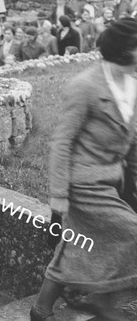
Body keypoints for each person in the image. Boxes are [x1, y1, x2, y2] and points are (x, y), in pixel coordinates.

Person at [30, 18, 137, 321]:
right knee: (131, 234)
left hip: (111, 181)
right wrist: (58, 195)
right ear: (124, 51)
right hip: (82, 183)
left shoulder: (133, 85)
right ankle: (102, 300)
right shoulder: (85, 87)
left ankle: (41, 309)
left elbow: (133, 141)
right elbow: (61, 142)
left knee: (77, 246)